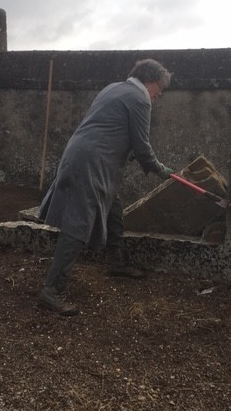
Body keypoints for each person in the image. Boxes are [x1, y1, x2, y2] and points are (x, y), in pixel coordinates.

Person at [36, 59, 174, 316]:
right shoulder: (140, 98)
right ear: (150, 81)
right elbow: (142, 147)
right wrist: (159, 169)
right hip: (92, 161)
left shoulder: (113, 88)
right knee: (78, 223)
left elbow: (113, 131)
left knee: (114, 206)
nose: (158, 95)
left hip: (77, 153)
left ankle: (116, 261)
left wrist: (135, 157)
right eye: (159, 89)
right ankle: (51, 290)